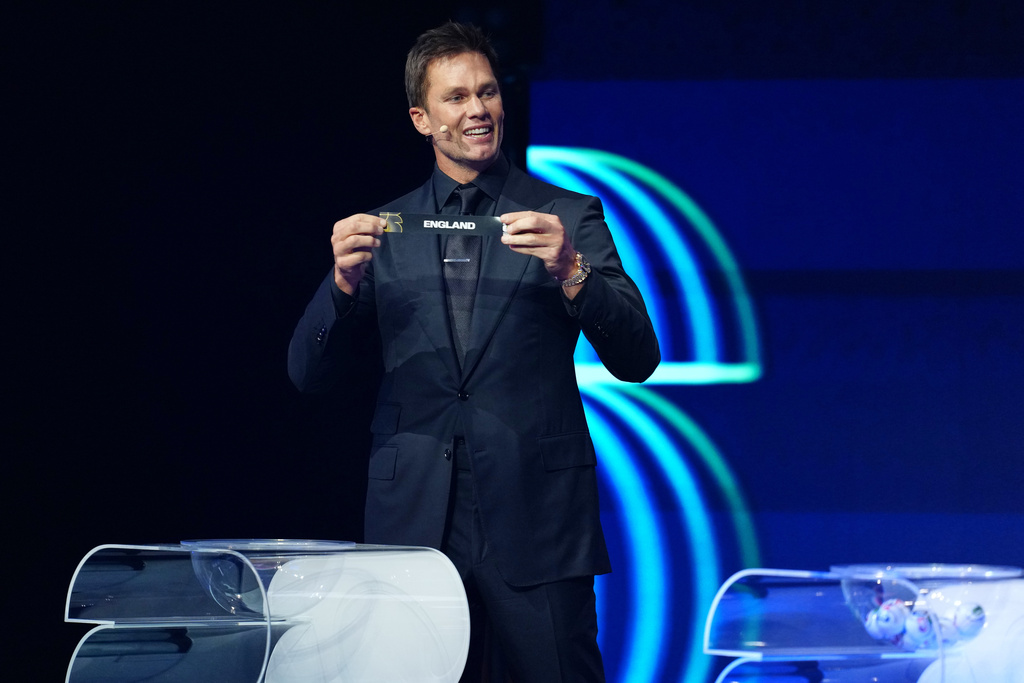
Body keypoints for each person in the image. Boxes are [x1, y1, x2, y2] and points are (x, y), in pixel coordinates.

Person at [288, 21, 659, 682]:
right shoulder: (384, 229)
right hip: (415, 528)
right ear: (421, 118)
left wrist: (573, 270)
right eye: (456, 98)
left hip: (538, 523)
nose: (478, 110)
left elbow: (639, 356)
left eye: (487, 92)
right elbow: (307, 373)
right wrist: (342, 285)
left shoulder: (567, 216)